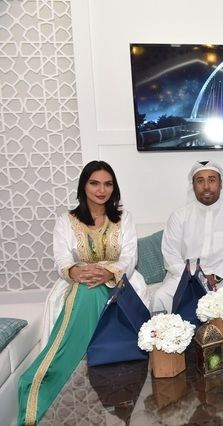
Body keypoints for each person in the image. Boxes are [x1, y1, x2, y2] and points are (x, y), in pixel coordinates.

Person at [18, 160, 149, 426]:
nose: (101, 190)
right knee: (86, 292)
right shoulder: (66, 221)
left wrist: (109, 272)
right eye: (94, 183)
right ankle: (49, 376)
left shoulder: (124, 218)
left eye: (108, 184)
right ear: (83, 186)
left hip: (119, 280)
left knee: (94, 291)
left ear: (114, 188)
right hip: (79, 280)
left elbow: (129, 256)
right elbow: (61, 259)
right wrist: (74, 272)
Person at [152, 160, 223, 312]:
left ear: (220, 184)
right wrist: (194, 278)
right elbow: (170, 255)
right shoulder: (179, 216)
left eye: (211, 180)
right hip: (186, 277)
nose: (206, 186)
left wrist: (217, 275)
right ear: (193, 186)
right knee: (161, 297)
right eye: (200, 181)